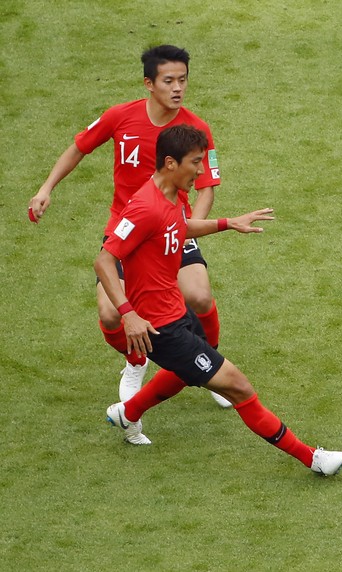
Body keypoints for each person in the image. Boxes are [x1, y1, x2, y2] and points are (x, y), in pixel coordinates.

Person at [98, 124, 342, 476]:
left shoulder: (170, 196)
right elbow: (105, 260)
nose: (200, 170)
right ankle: (313, 459)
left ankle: (128, 413)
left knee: (186, 372)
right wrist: (128, 314)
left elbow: (178, 227)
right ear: (170, 163)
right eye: (194, 162)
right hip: (161, 328)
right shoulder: (142, 207)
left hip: (177, 310)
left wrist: (229, 223)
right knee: (239, 387)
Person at [29, 45, 231, 407]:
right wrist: (46, 189)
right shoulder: (119, 116)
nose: (178, 88)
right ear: (148, 83)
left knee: (199, 296)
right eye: (168, 81)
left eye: (183, 80)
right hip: (127, 231)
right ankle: (136, 361)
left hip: (171, 230)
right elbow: (78, 148)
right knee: (110, 315)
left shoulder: (197, 128)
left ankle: (211, 363)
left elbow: (207, 186)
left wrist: (189, 224)